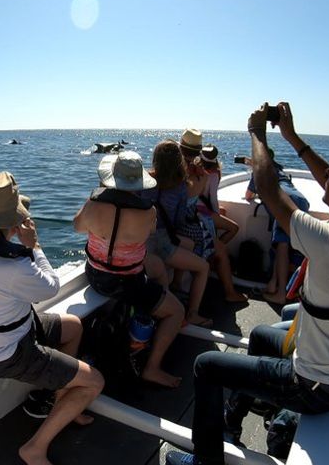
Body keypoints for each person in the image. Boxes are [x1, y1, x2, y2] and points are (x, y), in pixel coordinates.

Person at [165, 103, 329, 465]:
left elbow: (266, 186)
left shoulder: (327, 242)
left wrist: (258, 133)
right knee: (260, 335)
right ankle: (232, 421)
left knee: (206, 367)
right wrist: (291, 135)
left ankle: (204, 461)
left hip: (310, 387)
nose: (328, 176)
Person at [0, 171, 104, 465]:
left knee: (73, 327)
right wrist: (34, 246)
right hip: (8, 353)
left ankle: (60, 399)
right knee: (95, 382)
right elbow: (50, 287)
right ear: (13, 221)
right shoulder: (13, 265)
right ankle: (35, 448)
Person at [73, 151, 185, 388]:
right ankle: (151, 366)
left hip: (95, 275)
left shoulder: (93, 203)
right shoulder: (148, 211)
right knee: (177, 311)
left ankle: (150, 310)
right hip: (128, 283)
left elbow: (78, 227)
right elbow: (148, 234)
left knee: (155, 266)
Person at [139, 140, 212, 327]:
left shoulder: (144, 181)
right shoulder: (180, 186)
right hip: (162, 243)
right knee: (203, 267)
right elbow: (178, 222)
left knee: (187, 244)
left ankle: (176, 286)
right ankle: (193, 313)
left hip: (141, 242)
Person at [177, 130, 248, 306]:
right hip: (189, 223)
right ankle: (229, 292)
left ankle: (211, 257)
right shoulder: (200, 175)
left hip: (179, 222)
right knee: (222, 250)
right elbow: (200, 200)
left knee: (217, 236)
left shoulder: (175, 170)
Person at [244, 148, 310, 306]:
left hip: (283, 201)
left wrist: (254, 169)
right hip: (300, 200)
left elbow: (248, 196)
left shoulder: (260, 171)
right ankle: (274, 284)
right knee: (288, 246)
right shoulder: (279, 170)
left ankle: (281, 293)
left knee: (282, 246)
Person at [199, 144, 240, 244]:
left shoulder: (196, 170)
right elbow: (213, 198)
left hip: (195, 208)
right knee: (234, 228)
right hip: (202, 211)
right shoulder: (214, 174)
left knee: (223, 211)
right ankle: (216, 249)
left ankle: (214, 242)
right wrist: (216, 214)